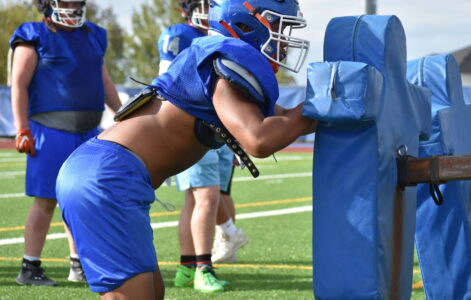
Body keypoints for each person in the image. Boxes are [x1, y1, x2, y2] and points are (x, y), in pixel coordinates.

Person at [55, 0, 313, 298]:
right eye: (280, 25)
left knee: (154, 292)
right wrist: (312, 112)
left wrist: (321, 111)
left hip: (107, 172)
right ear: (247, 24)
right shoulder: (226, 60)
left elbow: (280, 119)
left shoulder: (217, 60)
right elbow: (258, 139)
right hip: (107, 177)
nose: (284, 38)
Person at [9, 0, 121, 286]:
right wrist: (21, 128)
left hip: (89, 132)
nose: (72, 6)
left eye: (76, 1)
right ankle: (29, 267)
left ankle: (78, 265)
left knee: (82, 199)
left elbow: (104, 81)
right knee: (46, 201)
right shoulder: (33, 33)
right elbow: (19, 83)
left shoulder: (93, 34)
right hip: (49, 130)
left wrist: (123, 116)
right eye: (65, 1)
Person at [157, 1, 248, 292]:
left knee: (196, 201)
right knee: (207, 198)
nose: (209, 10)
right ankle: (202, 268)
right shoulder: (179, 35)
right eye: (203, 4)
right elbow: (165, 85)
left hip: (219, 128)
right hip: (194, 125)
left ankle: (186, 267)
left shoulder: (223, 34)